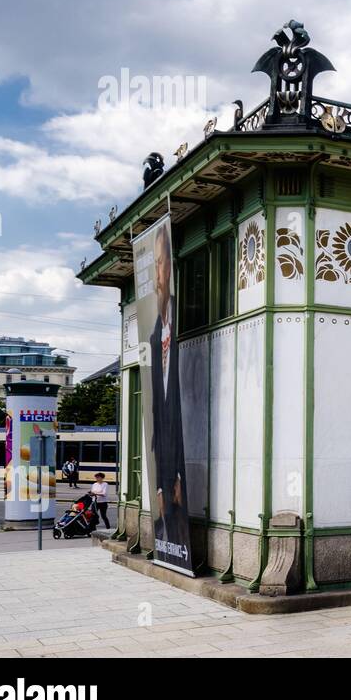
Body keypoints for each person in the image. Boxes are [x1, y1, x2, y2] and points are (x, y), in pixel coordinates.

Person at [147, 224, 190, 561]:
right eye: (156, 264)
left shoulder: (181, 322)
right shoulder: (155, 334)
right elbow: (158, 421)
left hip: (180, 477)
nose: (160, 272)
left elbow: (180, 411)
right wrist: (161, 484)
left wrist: (175, 476)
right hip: (165, 479)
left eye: (164, 263)